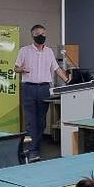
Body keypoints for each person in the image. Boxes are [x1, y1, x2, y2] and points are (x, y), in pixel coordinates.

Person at [14, 24, 69, 162]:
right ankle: (33, 151)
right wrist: (22, 69)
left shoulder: (49, 52)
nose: (42, 36)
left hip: (44, 89)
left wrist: (67, 80)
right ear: (33, 35)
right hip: (29, 88)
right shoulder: (24, 51)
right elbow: (16, 68)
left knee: (41, 121)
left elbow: (56, 69)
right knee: (31, 121)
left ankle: (35, 148)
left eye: (44, 34)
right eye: (38, 34)